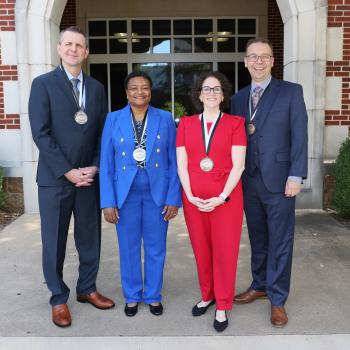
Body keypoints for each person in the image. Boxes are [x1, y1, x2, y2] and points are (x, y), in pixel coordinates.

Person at [28, 26, 115, 328]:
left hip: (88, 178)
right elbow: (41, 133)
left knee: (89, 237)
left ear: (86, 52)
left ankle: (87, 288)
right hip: (56, 178)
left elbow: (102, 132)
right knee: (54, 241)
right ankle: (58, 298)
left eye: (79, 45)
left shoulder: (96, 87)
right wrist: (67, 170)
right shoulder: (43, 85)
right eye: (68, 44)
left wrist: (94, 167)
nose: (73, 49)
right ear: (59, 48)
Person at [231, 38, 308, 327]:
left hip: (280, 181)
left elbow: (300, 136)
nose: (259, 61)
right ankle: (259, 284)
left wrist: (295, 175)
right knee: (258, 238)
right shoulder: (238, 98)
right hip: (249, 182)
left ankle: (277, 299)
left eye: (264, 56)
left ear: (273, 61)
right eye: (253, 57)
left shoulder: (290, 92)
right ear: (245, 61)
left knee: (281, 242)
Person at [100, 71, 181, 317]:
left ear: (150, 91)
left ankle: (153, 295)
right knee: (128, 246)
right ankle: (133, 295)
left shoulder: (165, 118)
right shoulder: (113, 119)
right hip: (125, 194)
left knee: (156, 247)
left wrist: (173, 197)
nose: (139, 92)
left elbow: (175, 161)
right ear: (126, 92)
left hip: (157, 191)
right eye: (134, 88)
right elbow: (106, 163)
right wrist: (108, 201)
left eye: (144, 87)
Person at [176, 72, 247, 332]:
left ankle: (223, 304)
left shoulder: (235, 123)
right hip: (194, 199)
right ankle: (208, 295)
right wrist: (190, 194)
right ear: (199, 94)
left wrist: (221, 197)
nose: (212, 93)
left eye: (217, 89)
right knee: (201, 249)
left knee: (225, 251)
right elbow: (182, 164)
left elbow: (238, 166)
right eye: (207, 89)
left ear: (223, 94)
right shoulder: (185, 124)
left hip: (226, 200)